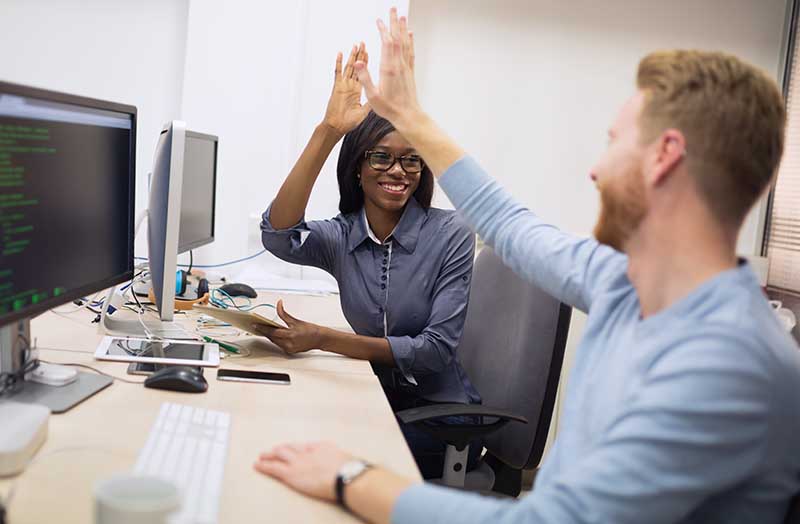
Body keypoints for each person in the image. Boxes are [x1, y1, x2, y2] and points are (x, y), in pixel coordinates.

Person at [252, 8, 800, 524]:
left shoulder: (729, 364)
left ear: (665, 156)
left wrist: (350, 476)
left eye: (613, 144)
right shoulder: (621, 282)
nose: (594, 170)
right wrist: (409, 117)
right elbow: (510, 226)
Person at [258, 42, 482, 479]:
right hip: (381, 402)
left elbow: (434, 352)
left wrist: (323, 338)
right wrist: (328, 130)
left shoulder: (451, 232)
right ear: (358, 168)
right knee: (290, 426)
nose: (397, 171)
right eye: (381, 156)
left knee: (315, 452)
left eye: (410, 160)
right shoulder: (342, 236)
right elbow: (278, 236)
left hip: (445, 422)